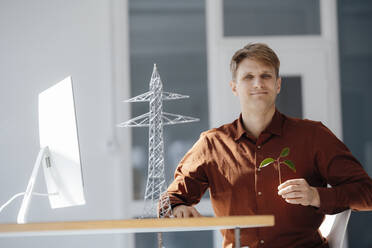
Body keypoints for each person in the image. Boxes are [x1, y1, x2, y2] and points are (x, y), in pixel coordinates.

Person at [165, 43, 372, 248]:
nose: (258, 84)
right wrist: (178, 207)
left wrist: (316, 196)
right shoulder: (212, 144)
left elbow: (366, 193)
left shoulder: (313, 136)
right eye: (248, 77)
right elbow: (171, 200)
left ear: (278, 85)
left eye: (266, 76)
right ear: (234, 87)